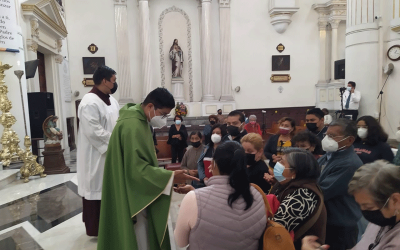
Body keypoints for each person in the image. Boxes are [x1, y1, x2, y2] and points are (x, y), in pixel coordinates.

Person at [97, 88, 198, 250]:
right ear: (150, 106)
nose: (164, 119)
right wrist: (170, 177)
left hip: (134, 187)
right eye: (163, 114)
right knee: (140, 237)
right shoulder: (133, 125)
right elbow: (136, 170)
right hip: (133, 193)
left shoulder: (138, 119)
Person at [174, 141, 267, 250]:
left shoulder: (193, 198)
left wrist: (191, 202)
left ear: (213, 164)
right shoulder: (257, 194)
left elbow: (180, 242)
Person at [76, 65, 120, 237]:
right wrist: (117, 142)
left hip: (112, 153)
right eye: (114, 80)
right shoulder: (89, 102)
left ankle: (112, 225)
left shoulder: (112, 100)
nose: (115, 84)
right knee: (97, 188)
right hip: (95, 156)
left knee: (110, 189)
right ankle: (97, 229)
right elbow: (94, 131)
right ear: (105, 81)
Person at [267, 148, 327, 249]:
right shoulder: (283, 184)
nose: (278, 164)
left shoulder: (304, 195)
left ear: (294, 172)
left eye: (282, 162)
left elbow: (277, 227)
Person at [318, 118, 363, 249]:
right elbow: (312, 176)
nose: (327, 139)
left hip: (340, 226)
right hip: (327, 222)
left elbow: (322, 191)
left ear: (349, 140)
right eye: (326, 135)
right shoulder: (329, 155)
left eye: (332, 136)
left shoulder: (349, 164)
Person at [348, 160, 400, 250]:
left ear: (395, 200)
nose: (363, 211)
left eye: (369, 207)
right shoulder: (382, 219)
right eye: (360, 205)